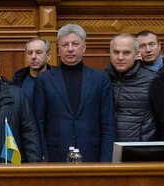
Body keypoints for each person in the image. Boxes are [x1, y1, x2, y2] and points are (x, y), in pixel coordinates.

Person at [34, 24, 115, 162]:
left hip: (92, 153)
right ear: (58, 49)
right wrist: (43, 156)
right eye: (65, 45)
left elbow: (107, 122)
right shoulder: (44, 79)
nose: (70, 49)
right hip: (56, 153)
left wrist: (106, 159)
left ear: (84, 47)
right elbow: (39, 122)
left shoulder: (100, 78)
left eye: (75, 44)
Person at [105, 34, 164, 142]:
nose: (120, 57)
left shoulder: (152, 80)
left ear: (137, 54)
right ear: (110, 54)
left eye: (126, 52)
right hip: (109, 150)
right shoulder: (103, 79)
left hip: (142, 151)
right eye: (116, 52)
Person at [10, 38, 52, 106]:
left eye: (38, 52)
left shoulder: (58, 78)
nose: (33, 57)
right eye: (30, 53)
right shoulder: (18, 79)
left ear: (48, 56)